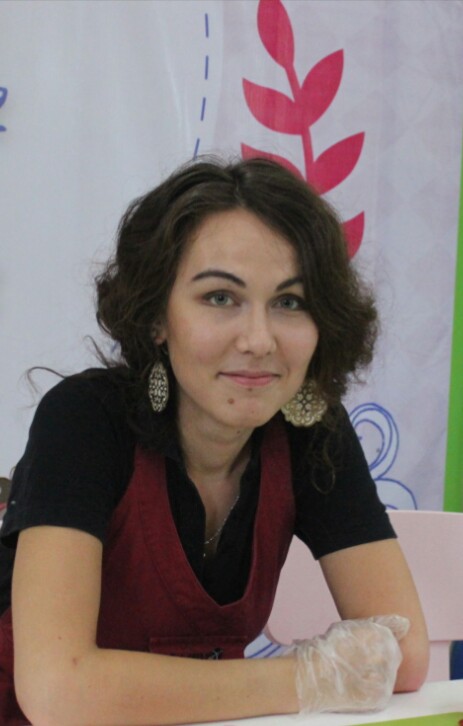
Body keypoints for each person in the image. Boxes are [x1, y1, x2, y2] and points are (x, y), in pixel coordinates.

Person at [0, 157, 429, 725]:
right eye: (220, 298)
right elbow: (59, 691)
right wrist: (308, 677)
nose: (259, 340)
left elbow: (403, 657)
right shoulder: (84, 418)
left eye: (290, 302)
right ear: (156, 316)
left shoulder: (310, 430)